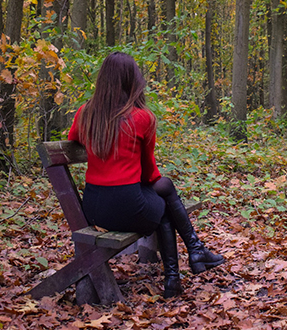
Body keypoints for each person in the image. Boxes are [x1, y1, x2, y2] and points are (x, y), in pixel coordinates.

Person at [67, 52, 224, 298]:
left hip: (93, 207)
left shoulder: (85, 112)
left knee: (163, 197)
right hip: (126, 206)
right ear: (131, 81)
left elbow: (73, 138)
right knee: (164, 201)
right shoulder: (141, 118)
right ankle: (182, 267)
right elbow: (150, 175)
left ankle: (191, 257)